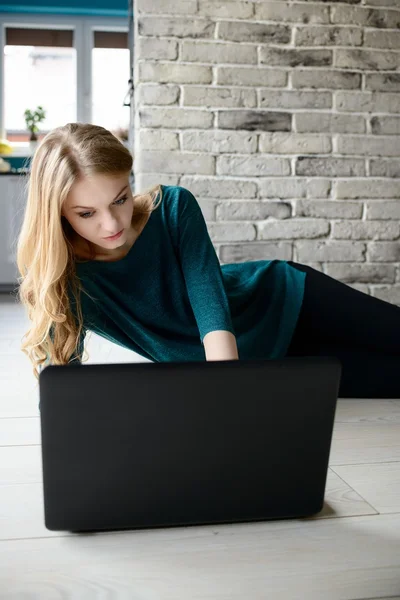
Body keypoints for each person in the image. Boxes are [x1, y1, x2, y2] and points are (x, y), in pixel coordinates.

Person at [16, 123, 400, 400]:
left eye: (119, 198)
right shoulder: (60, 276)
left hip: (286, 300)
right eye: (86, 213)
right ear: (58, 214)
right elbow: (62, 387)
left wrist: (222, 397)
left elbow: (212, 314)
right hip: (264, 369)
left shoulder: (173, 208)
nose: (111, 223)